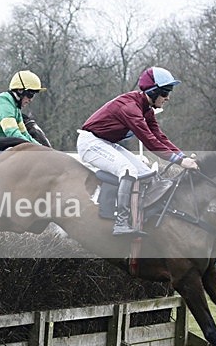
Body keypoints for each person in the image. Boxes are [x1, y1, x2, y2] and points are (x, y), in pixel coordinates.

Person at [77, 66, 199, 236]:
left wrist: (182, 156)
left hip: (106, 142)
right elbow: (149, 140)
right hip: (90, 143)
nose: (168, 98)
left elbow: (160, 137)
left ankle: (139, 214)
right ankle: (120, 222)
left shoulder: (146, 110)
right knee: (129, 170)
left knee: (145, 172)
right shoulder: (130, 108)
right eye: (165, 93)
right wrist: (178, 161)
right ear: (154, 91)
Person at [0, 70, 45, 143]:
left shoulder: (15, 107)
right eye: (30, 95)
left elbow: (24, 134)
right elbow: (12, 133)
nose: (31, 100)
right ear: (20, 90)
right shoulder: (5, 105)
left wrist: (41, 149)